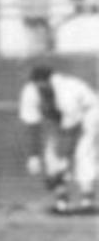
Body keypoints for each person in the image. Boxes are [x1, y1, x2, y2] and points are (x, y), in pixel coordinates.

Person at [18, 64, 97, 215]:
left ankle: (88, 201)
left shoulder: (67, 91)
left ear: (50, 80)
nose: (39, 86)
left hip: (89, 111)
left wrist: (64, 161)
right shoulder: (30, 92)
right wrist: (33, 156)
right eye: (36, 83)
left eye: (42, 82)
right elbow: (32, 125)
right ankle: (62, 202)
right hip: (59, 117)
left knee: (84, 151)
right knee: (51, 154)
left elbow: (72, 130)